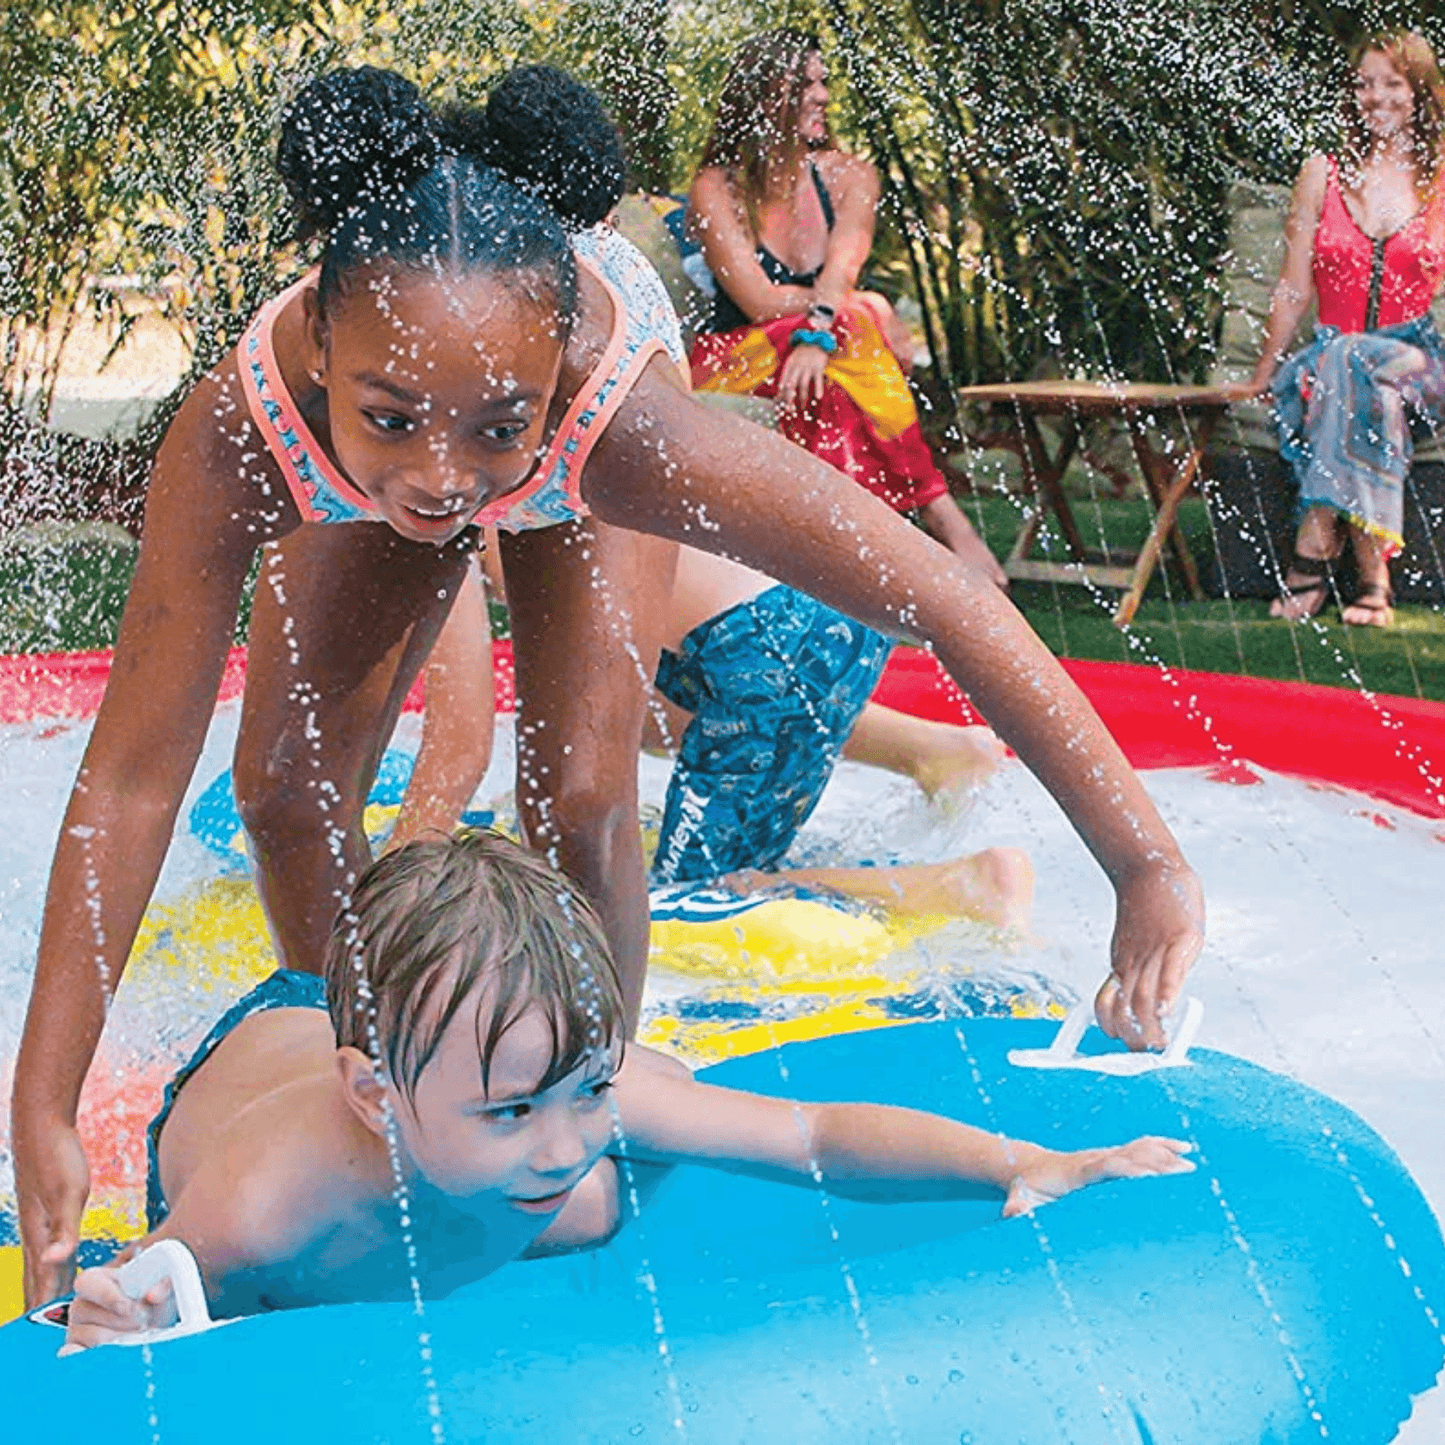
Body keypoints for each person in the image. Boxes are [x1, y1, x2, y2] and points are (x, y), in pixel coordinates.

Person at [14, 64, 1204, 1310]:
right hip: (429, 375)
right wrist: (47, 1096)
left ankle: (582, 1097)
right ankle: (389, 1101)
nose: (441, 481)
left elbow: (946, 597)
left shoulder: (621, 423)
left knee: (580, 792)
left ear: (540, 387)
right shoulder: (241, 429)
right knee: (281, 794)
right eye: (394, 421)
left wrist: (1145, 863)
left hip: (579, 412)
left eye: (489, 431)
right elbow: (136, 772)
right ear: (318, 343)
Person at [60, 830, 1193, 1347]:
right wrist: (122, 1305)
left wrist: (1017, 1160)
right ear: (375, 1098)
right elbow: (131, 1299)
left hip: (420, 1042)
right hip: (263, 1044)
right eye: (516, 1110)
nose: (560, 1140)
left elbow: (812, 1131)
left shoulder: (558, 1114)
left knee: (610, 1186)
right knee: (578, 1197)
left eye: (583, 1089)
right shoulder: (266, 1198)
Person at [393, 542, 1030, 929]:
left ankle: (958, 887)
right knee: (640, 709)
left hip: (769, 650)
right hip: (814, 611)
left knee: (678, 908)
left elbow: (460, 745)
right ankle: (930, 750)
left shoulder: (439, 524)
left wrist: (394, 885)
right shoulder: (522, 456)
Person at [687, 30, 1008, 589]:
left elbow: (843, 266)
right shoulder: (719, 187)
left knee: (833, 387)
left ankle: (847, 572)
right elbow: (758, 301)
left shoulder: (852, 177)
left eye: (823, 81)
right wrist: (864, 309)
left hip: (819, 363)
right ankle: (943, 521)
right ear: (764, 97)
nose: (822, 96)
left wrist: (820, 332)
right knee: (858, 321)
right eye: (803, 83)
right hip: (736, 359)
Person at [1239, 29, 1445, 627]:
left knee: (1354, 365)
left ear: (1421, 94)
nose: (1375, 97)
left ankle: (1314, 539)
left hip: (1418, 364)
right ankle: (1372, 576)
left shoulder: (1441, 182)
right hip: (1328, 360)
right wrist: (1266, 366)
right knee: (1355, 380)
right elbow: (1293, 285)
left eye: (1392, 83)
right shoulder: (1322, 173)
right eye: (1364, 84)